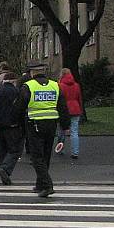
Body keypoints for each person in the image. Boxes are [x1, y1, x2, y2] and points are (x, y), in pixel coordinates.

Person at [20, 64, 71, 197]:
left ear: (32, 73)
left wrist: (16, 122)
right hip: (51, 124)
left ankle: (47, 185)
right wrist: (66, 126)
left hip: (34, 124)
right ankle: (40, 184)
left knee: (37, 156)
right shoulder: (55, 85)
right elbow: (63, 107)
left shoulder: (28, 86)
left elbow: (20, 106)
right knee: (46, 154)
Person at [0, 72, 24, 185]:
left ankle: (4, 175)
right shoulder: (17, 92)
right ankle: (5, 169)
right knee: (15, 150)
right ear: (13, 81)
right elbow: (20, 110)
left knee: (2, 150)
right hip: (12, 125)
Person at [54, 68, 83, 159]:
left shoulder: (59, 85)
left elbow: (58, 100)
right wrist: (80, 109)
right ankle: (75, 152)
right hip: (75, 108)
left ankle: (60, 149)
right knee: (74, 132)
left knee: (61, 131)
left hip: (64, 110)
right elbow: (79, 98)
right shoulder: (76, 85)